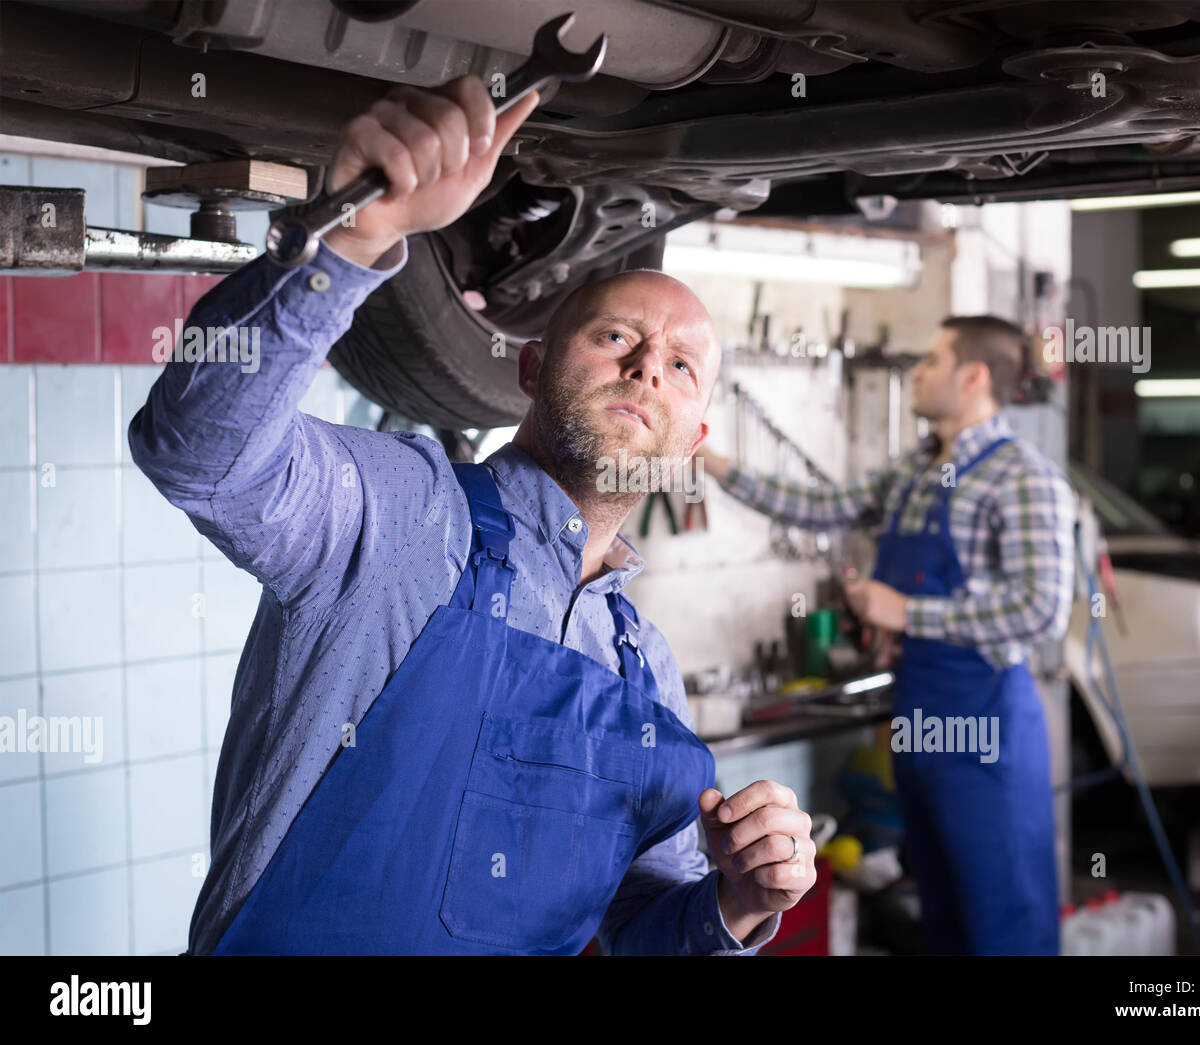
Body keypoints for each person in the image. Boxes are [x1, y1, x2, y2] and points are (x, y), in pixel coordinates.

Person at [129, 76, 816, 955]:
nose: (648, 366)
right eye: (615, 337)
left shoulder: (647, 672)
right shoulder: (401, 512)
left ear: (693, 441)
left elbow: (649, 931)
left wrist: (740, 902)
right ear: (530, 370)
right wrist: (357, 232)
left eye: (682, 366)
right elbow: (198, 450)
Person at [697, 317, 1075, 955]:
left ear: (973, 376)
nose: (916, 373)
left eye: (931, 360)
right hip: (921, 717)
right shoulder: (915, 472)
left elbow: (1041, 611)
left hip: (988, 727)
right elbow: (820, 506)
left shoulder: (1021, 477)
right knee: (942, 908)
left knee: (1004, 912)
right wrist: (707, 459)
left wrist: (906, 612)